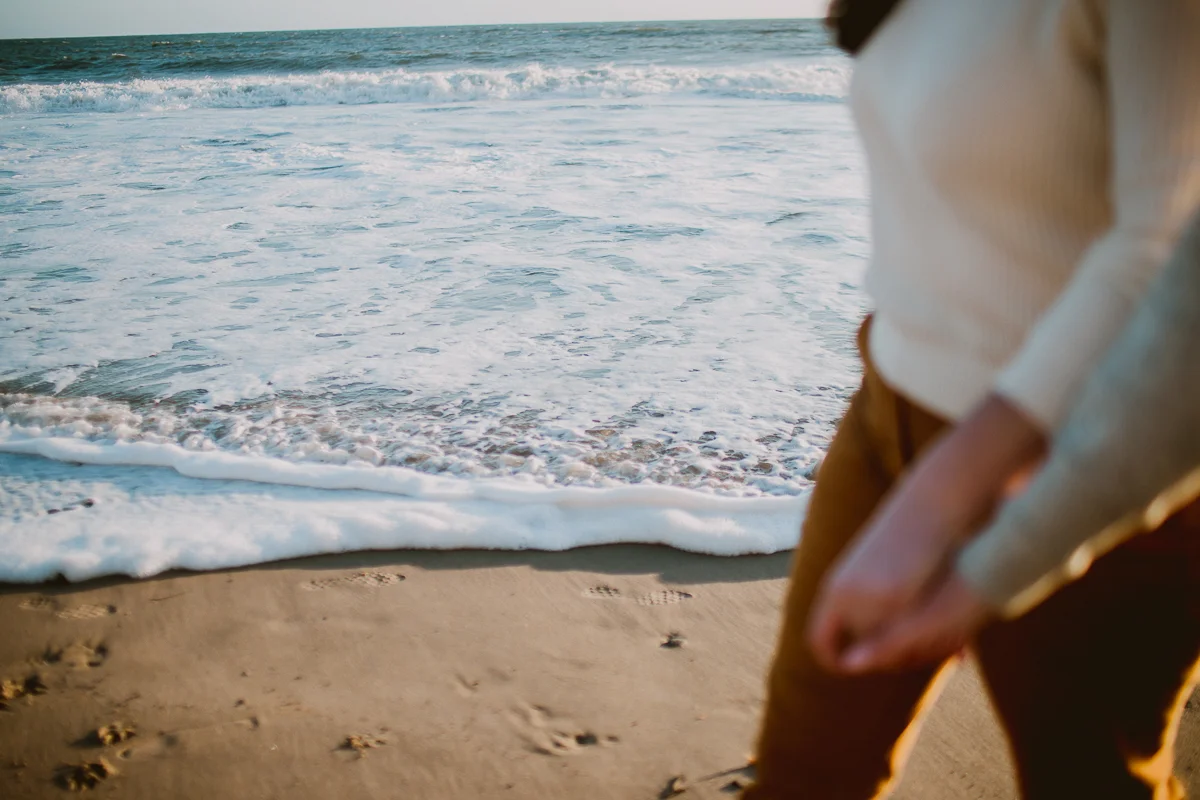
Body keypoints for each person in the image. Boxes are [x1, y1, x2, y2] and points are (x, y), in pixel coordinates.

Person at [742, 1, 1200, 799]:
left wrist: (938, 498)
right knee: (804, 776)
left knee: (1088, 781)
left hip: (1087, 452)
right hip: (889, 411)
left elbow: (1168, 249)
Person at [810, 205, 1200, 676]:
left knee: (1078, 742)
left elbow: (1165, 235)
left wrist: (938, 513)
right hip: (893, 385)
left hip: (1088, 435)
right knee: (810, 735)